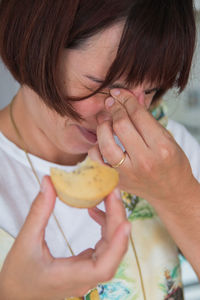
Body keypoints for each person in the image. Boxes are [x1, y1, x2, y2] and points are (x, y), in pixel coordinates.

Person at [0, 0, 198, 299]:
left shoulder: (166, 151)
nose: (122, 116)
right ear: (35, 45)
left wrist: (177, 195)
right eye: (104, 85)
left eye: (150, 90)